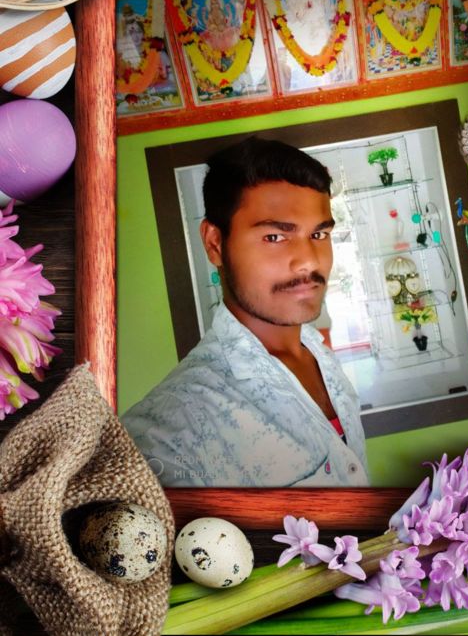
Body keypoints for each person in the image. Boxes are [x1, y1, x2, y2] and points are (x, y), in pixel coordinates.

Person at [122, 137, 370, 488]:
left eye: (319, 234)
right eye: (274, 237)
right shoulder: (178, 422)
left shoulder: (322, 357)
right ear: (214, 244)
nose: (309, 260)